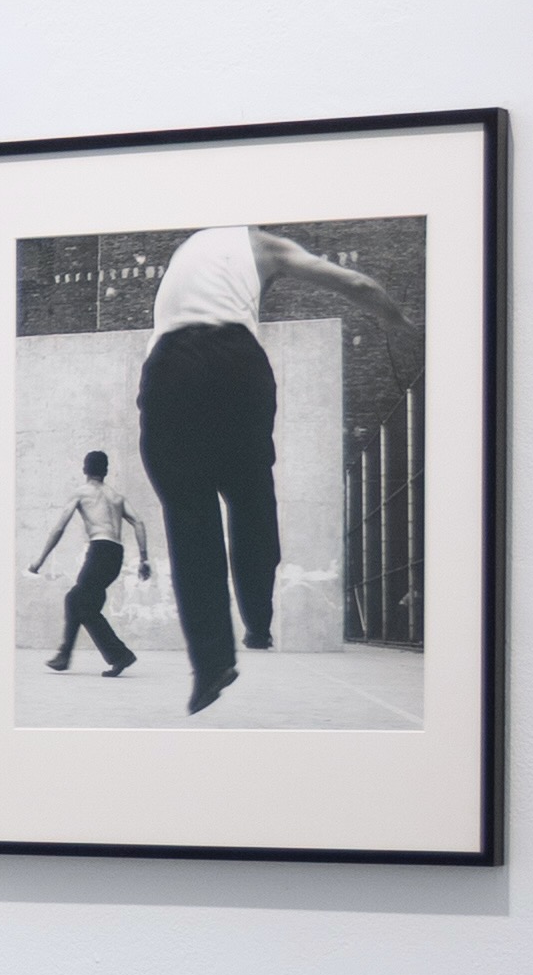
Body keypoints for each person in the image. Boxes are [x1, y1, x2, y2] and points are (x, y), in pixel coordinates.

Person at [136, 222, 402, 715]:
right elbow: (358, 284)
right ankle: (258, 622)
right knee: (250, 494)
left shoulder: (185, 248)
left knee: (189, 516)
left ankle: (211, 663)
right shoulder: (266, 245)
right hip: (237, 362)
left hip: (169, 369)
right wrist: (396, 320)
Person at [27, 448, 151, 676]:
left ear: (85, 469)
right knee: (85, 605)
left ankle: (105, 655)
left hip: (99, 550)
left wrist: (39, 561)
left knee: (75, 599)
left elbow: (59, 528)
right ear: (106, 471)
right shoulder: (117, 497)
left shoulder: (81, 493)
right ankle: (76, 656)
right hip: (116, 554)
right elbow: (139, 523)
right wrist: (144, 559)